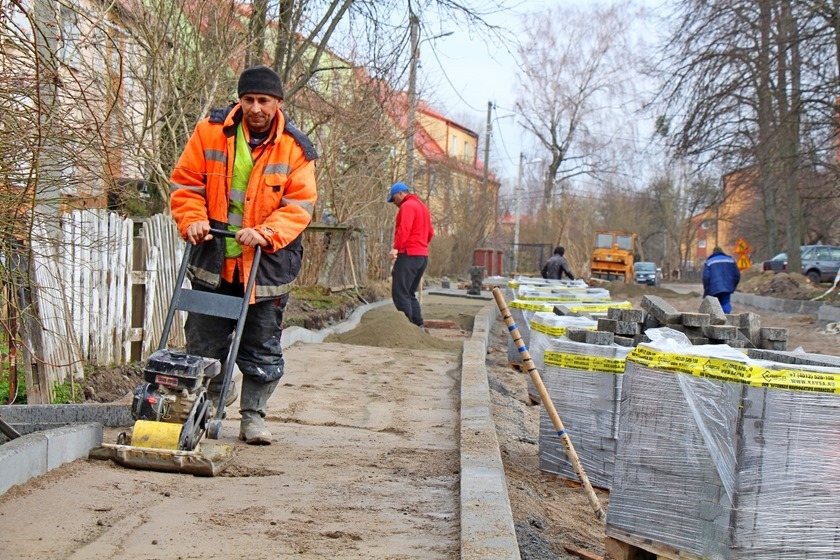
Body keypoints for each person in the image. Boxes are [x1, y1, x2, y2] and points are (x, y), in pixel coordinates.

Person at [169, 65, 318, 445]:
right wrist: (194, 220)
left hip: (265, 266)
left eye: (263, 101)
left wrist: (266, 233)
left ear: (278, 103)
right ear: (239, 100)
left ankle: (253, 417)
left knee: (261, 345)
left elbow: (299, 205)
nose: (255, 108)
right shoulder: (210, 132)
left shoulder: (296, 148)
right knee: (204, 341)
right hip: (213, 257)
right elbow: (186, 183)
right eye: (248, 100)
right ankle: (209, 403)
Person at [387, 182, 434, 328]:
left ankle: (406, 328)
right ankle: (418, 325)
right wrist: (421, 245)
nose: (394, 203)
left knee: (400, 293)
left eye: (393, 199)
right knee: (409, 293)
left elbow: (404, 229)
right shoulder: (422, 207)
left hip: (409, 254)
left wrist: (396, 248)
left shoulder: (407, 206)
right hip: (422, 256)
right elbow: (430, 232)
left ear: (401, 193)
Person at [702, 246, 741, 313]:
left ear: (714, 252)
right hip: (727, 287)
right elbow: (737, 275)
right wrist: (733, 286)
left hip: (713, 288)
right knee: (725, 303)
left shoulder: (709, 262)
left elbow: (706, 277)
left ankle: (716, 320)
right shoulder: (730, 260)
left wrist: (707, 289)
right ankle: (726, 317)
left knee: (714, 306)